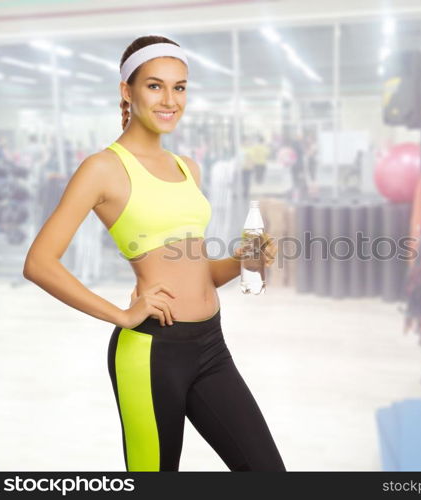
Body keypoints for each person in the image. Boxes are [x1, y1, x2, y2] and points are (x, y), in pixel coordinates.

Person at [23, 34, 285, 472]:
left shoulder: (187, 168)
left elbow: (200, 273)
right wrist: (121, 314)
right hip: (152, 352)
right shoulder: (103, 168)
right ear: (127, 91)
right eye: (155, 85)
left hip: (211, 345)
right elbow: (39, 262)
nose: (170, 100)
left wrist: (243, 260)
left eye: (180, 87)